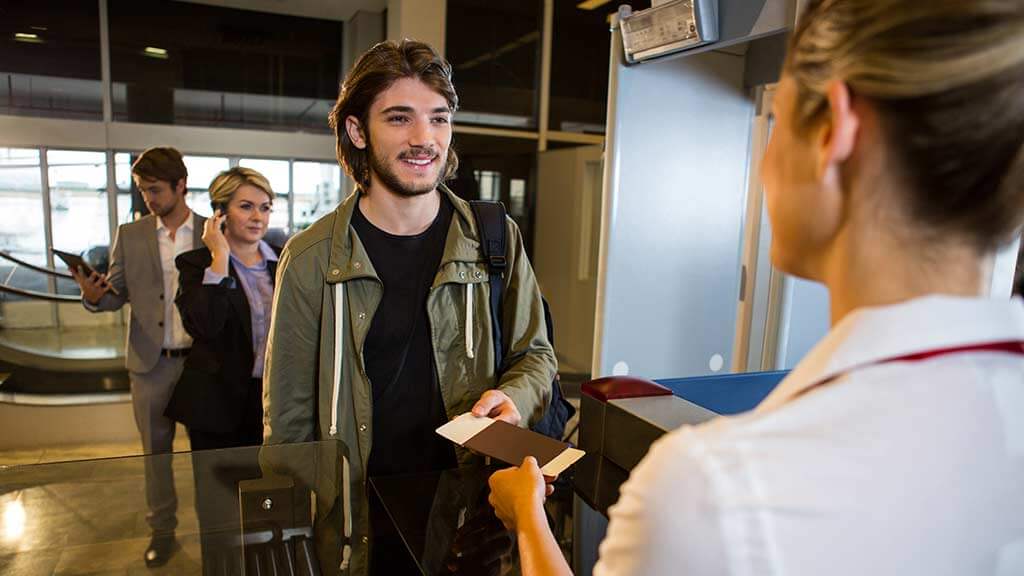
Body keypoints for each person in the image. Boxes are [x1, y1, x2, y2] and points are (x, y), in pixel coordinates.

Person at [488, 0, 1024, 574]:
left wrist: (528, 522)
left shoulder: (715, 491)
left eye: (782, 120)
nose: (767, 167)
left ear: (833, 134)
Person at [262, 39, 557, 574]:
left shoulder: (494, 237)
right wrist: (293, 536)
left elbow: (536, 355)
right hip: (358, 520)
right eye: (400, 118)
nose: (425, 139)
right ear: (357, 131)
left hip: (473, 512)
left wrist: (513, 398)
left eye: (438, 119)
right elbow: (288, 425)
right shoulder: (309, 260)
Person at [71, 146, 205, 567]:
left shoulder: (211, 230)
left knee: (208, 454)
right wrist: (94, 298)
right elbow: (115, 297)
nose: (148, 198)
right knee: (155, 455)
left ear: (180, 186)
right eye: (143, 191)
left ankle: (215, 530)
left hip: (203, 365)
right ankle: (162, 531)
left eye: (155, 190)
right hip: (150, 365)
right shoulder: (129, 235)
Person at [165, 167, 280, 449]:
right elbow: (204, 325)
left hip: (273, 401)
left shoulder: (283, 260)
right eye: (246, 207)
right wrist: (219, 257)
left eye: (265, 208)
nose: (258, 217)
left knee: (272, 490)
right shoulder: (196, 264)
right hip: (217, 404)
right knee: (216, 493)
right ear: (220, 212)